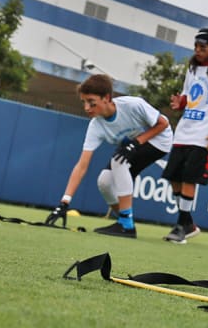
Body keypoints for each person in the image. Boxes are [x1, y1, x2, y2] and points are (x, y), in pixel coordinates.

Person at [43, 74, 173, 237]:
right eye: (84, 102)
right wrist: (64, 202)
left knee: (119, 160)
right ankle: (125, 222)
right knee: (104, 182)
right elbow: (82, 165)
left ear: (106, 98)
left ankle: (126, 225)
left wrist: (137, 142)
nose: (87, 108)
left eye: (92, 102)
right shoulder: (96, 126)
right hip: (134, 145)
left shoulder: (133, 105)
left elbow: (163, 124)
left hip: (160, 140)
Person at [160, 28, 208, 244]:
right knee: (173, 178)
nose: (197, 51)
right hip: (184, 132)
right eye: (195, 46)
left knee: (188, 179)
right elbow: (189, 94)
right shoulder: (192, 68)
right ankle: (187, 223)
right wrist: (181, 103)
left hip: (204, 136)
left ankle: (180, 226)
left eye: (202, 47)